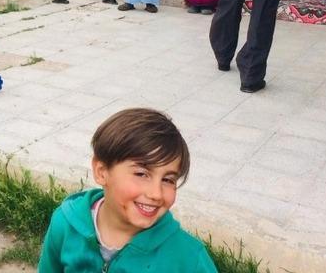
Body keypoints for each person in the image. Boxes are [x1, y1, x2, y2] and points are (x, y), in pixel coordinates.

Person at [37, 108, 218, 273]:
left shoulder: (189, 258)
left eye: (168, 179)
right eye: (141, 174)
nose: (156, 194)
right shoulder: (65, 224)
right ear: (101, 172)